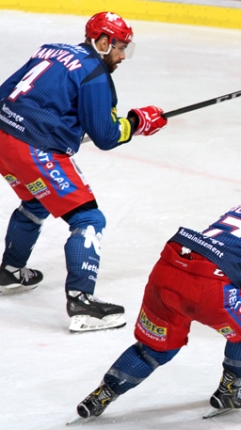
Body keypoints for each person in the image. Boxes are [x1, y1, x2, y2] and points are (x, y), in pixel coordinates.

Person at [75, 167, 241, 420]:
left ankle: (103, 393)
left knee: (154, 349)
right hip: (211, 284)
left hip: (169, 267)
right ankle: (229, 391)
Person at [0, 12, 168, 332]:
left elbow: (5, 93)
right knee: (89, 220)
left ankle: (9, 270)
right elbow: (105, 136)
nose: (122, 56)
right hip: (35, 148)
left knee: (36, 202)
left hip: (2, 141)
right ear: (102, 42)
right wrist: (137, 123)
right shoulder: (95, 72)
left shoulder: (50, 50)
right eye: (120, 48)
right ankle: (81, 301)